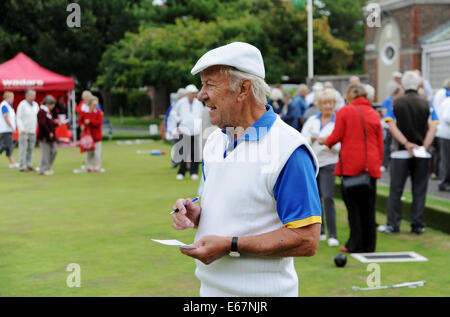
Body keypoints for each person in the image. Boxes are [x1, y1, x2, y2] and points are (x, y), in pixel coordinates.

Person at [171, 42, 322, 297]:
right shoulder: (217, 139)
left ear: (243, 89)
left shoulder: (289, 149)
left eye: (210, 84)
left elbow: (307, 239)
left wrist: (230, 245)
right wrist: (197, 213)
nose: (200, 95)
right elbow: (234, 205)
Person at [318, 84, 383, 253]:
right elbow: (380, 143)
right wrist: (377, 164)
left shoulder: (345, 112)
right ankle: (369, 245)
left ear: (348, 96)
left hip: (351, 166)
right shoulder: (374, 114)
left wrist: (324, 140)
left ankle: (354, 244)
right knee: (369, 208)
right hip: (371, 167)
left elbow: (335, 137)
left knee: (353, 209)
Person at [380, 71, 439, 234]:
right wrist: (423, 147)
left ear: (403, 85)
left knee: (396, 190)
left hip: (400, 152)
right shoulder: (427, 103)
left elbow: (391, 125)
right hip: (422, 153)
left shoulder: (396, 103)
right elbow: (433, 127)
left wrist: (406, 144)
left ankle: (393, 224)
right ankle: (417, 225)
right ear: (419, 85)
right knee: (419, 190)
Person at [301, 88, 340, 247]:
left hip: (329, 163)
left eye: (331, 102)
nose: (328, 106)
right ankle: (321, 231)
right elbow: (302, 140)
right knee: (315, 199)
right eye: (325, 103)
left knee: (328, 197)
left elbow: (340, 146)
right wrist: (311, 138)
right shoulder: (311, 121)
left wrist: (328, 142)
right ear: (319, 104)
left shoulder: (338, 121)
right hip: (313, 163)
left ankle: (332, 234)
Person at [171, 84, 204, 180]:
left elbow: (202, 114)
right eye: (192, 93)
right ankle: (181, 172)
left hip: (195, 130)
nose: (193, 95)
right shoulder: (181, 102)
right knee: (184, 152)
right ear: (188, 94)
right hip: (184, 130)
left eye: (194, 93)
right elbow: (173, 113)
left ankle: (194, 172)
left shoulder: (198, 103)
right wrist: (179, 120)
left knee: (195, 153)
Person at [381, 81, 404, 171]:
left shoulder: (400, 101)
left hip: (398, 126)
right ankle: (384, 164)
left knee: (395, 146)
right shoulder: (388, 100)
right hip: (389, 126)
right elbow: (384, 112)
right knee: (387, 145)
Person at [78, 95, 104, 172]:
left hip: (97, 136)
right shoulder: (84, 112)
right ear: (89, 104)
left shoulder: (98, 112)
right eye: (94, 104)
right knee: (88, 152)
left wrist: (90, 121)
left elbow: (99, 122)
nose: (95, 106)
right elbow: (80, 121)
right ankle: (88, 166)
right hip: (88, 135)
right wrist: (81, 125)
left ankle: (96, 167)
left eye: (96, 105)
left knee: (97, 153)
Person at [16, 89, 39, 172]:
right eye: (32, 95)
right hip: (24, 130)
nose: (33, 97)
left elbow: (37, 117)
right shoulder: (22, 105)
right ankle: (22, 165)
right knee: (23, 148)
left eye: (34, 95)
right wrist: (21, 128)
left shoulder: (36, 105)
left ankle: (29, 164)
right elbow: (18, 117)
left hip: (32, 130)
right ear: (27, 96)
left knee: (31, 148)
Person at [37, 96, 58, 175]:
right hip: (44, 136)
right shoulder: (41, 111)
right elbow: (42, 124)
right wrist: (49, 131)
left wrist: (56, 123)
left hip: (51, 136)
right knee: (45, 153)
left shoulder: (48, 112)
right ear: (48, 104)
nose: (53, 107)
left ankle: (48, 167)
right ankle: (43, 169)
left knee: (54, 151)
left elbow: (50, 122)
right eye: (52, 105)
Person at [166, 88, 186, 168]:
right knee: (176, 145)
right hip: (176, 128)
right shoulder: (174, 105)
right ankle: (175, 162)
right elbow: (169, 118)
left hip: (185, 128)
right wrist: (169, 129)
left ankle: (183, 163)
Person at [0, 91, 19, 168]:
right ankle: (12, 163)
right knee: (5, 145)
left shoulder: (8, 105)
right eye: (12, 97)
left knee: (8, 146)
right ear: (8, 97)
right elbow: (6, 117)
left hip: (7, 129)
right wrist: (11, 127)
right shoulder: (4, 105)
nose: (13, 99)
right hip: (5, 129)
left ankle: (12, 163)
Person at [435, 97, 450, 191]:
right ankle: (444, 182)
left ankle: (444, 181)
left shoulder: (446, 100)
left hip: (444, 133)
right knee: (446, 160)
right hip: (446, 134)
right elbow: (447, 117)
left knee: (445, 159)